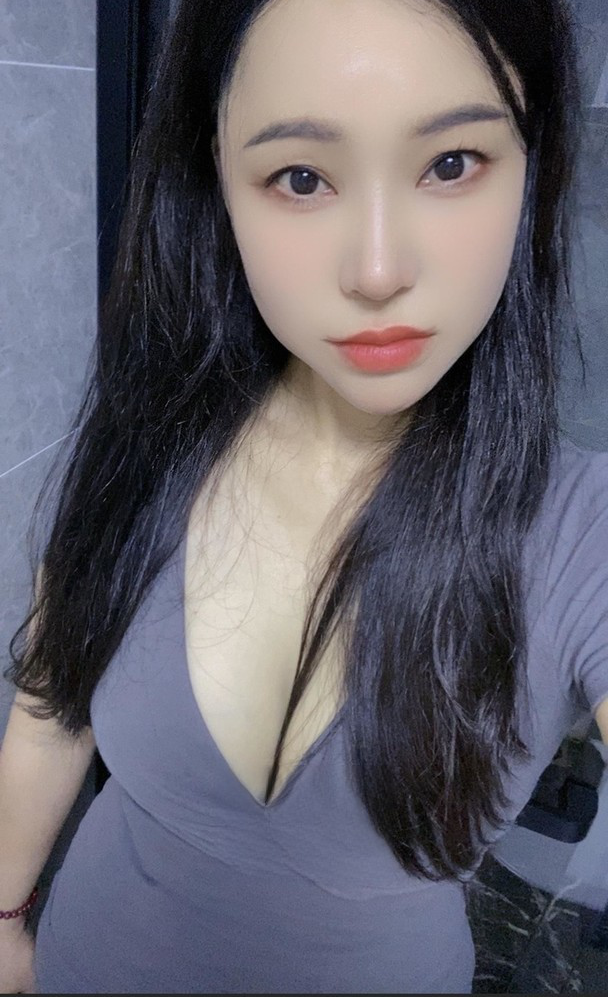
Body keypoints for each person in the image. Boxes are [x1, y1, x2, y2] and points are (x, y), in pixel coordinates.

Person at [1, 0, 607, 992]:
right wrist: (4, 918)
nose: (378, 270)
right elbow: (48, 709)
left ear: (529, 165)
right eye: (300, 177)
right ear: (217, 183)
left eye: (451, 163)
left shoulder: (581, 526)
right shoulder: (143, 444)